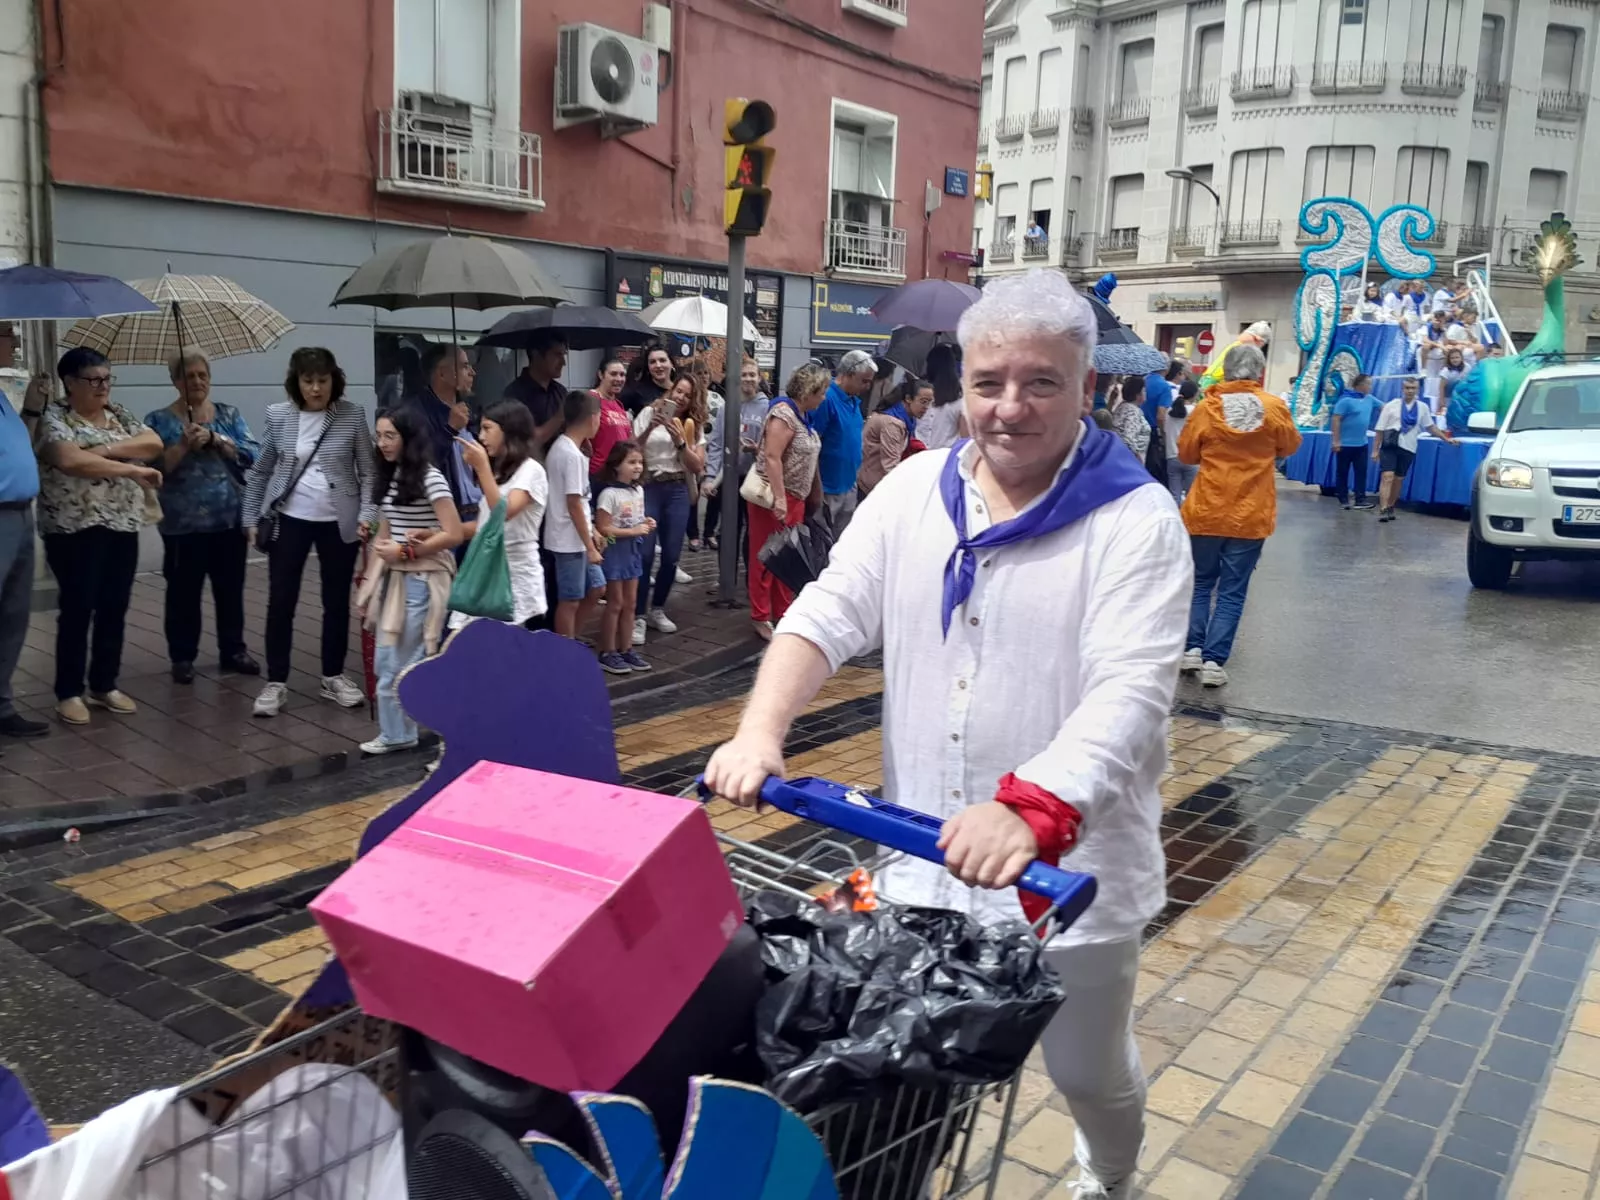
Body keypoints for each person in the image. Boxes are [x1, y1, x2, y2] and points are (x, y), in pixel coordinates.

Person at [705, 270, 1191, 1200]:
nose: (1009, 407)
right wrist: (760, 731)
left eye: (1040, 382)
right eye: (987, 382)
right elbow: (830, 610)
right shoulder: (917, 490)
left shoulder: (1133, 520)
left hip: (1064, 882)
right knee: (906, 1081)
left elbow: (1129, 693)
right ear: (958, 384)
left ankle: (1110, 1176)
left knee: (1084, 1070)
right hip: (922, 861)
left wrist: (1032, 808)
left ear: (1085, 387)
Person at [33, 349, 164, 725]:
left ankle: (104, 684)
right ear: (69, 383)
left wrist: (101, 450)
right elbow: (69, 460)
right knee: (78, 607)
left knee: (114, 605)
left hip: (121, 522)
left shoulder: (118, 413)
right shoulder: (55, 416)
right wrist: (130, 469)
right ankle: (69, 692)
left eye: (107, 378)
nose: (103, 386)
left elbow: (152, 442)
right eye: (94, 380)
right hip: (74, 527)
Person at [243, 347, 374, 719]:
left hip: (338, 520)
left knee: (335, 601)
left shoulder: (351, 415)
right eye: (307, 380)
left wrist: (368, 514)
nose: (315, 388)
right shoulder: (279, 415)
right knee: (281, 599)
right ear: (296, 382)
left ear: (335, 380)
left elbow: (369, 471)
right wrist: (250, 518)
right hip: (290, 518)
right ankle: (276, 681)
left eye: (322, 380)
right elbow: (260, 470)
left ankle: (332, 676)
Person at [1178, 341, 1302, 689]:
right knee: (1233, 590)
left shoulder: (1206, 408)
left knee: (1202, 582)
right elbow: (1291, 445)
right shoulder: (1274, 406)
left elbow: (1187, 454)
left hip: (1206, 508)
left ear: (1227, 370)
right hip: (1250, 512)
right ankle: (1214, 662)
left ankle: (1192, 648)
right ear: (1259, 372)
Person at [144, 349, 261, 684]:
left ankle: (233, 650)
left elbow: (251, 454)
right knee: (183, 593)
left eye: (201, 375)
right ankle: (182, 657)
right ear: (175, 381)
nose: (196, 381)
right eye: (188, 375)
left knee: (230, 590)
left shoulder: (227, 414)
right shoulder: (158, 421)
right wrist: (181, 446)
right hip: (183, 525)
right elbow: (152, 469)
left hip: (229, 520)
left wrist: (216, 439)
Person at [356, 406, 463, 754]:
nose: (382, 443)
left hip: (422, 580)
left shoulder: (430, 478)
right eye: (379, 435)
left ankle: (409, 731)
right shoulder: (390, 474)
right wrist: (370, 587)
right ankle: (400, 732)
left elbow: (454, 533)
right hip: (397, 580)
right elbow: (385, 532)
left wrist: (403, 552)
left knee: (402, 660)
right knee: (393, 660)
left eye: (391, 435)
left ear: (408, 438)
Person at [747, 363, 825, 640]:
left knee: (788, 557)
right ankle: (760, 615)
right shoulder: (784, 414)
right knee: (766, 556)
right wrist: (780, 499)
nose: (824, 397)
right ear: (809, 390)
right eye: (822, 391)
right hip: (774, 498)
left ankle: (783, 610)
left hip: (795, 498)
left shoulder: (803, 416)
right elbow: (771, 456)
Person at [456, 401, 548, 628]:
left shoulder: (532, 470)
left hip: (514, 580)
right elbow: (485, 524)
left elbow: (504, 512)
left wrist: (481, 468)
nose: (480, 436)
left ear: (510, 430)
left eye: (487, 428)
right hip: (486, 573)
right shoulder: (500, 473)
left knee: (506, 654)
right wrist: (437, 534)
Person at [631, 368, 707, 643]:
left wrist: (679, 442)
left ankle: (657, 609)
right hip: (650, 485)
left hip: (676, 488)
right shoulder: (650, 412)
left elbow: (697, 465)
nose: (683, 397)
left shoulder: (692, 425)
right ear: (671, 390)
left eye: (688, 395)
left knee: (672, 555)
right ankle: (638, 615)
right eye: (679, 391)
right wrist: (651, 427)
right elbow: (630, 448)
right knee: (646, 553)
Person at [0, 376, 50, 742]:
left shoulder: (1, 398)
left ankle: (1, 707)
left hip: (20, 514)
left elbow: (22, 449)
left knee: (13, 616)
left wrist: (31, 408)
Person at [544, 390, 607, 642]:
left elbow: (579, 500)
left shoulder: (571, 450)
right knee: (570, 599)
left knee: (596, 586)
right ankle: (565, 649)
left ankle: (572, 639)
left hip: (576, 537)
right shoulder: (569, 454)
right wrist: (590, 545)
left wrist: (592, 532)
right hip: (567, 540)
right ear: (593, 418)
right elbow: (573, 503)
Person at [402, 343, 481, 532]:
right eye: (464, 366)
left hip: (477, 509)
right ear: (443, 373)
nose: (472, 372)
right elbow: (421, 464)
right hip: (443, 514)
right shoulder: (415, 412)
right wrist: (449, 429)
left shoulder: (468, 409)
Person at [593, 442, 655, 674]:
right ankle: (607, 650)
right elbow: (604, 528)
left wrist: (645, 523)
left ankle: (626, 648)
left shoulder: (638, 490)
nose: (637, 467)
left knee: (631, 603)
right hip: (615, 551)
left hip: (632, 551)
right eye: (631, 462)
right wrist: (633, 531)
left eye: (640, 462)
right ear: (616, 465)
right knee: (615, 603)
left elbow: (635, 518)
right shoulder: (609, 494)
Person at [702, 355, 766, 555]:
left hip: (755, 477)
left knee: (753, 530)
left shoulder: (767, 407)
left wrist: (756, 451)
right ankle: (726, 578)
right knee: (729, 528)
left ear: (759, 378)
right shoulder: (726, 407)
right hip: (729, 477)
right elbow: (716, 443)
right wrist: (711, 476)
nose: (748, 379)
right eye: (744, 375)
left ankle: (749, 577)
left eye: (752, 375)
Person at [810, 349, 876, 533]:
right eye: (864, 381)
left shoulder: (853, 400)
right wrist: (817, 488)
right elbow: (813, 445)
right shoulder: (827, 399)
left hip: (848, 483)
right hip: (828, 487)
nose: (868, 386)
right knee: (823, 542)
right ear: (848, 375)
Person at [1372, 376, 1454, 522]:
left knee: (1398, 479)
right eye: (1407, 388)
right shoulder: (1391, 405)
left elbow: (1430, 427)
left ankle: (1391, 505)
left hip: (1408, 447)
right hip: (1390, 445)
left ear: (1418, 389)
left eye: (1413, 388)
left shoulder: (1422, 408)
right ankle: (1383, 508)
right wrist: (1375, 450)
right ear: (1402, 389)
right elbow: (1379, 429)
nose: (1410, 391)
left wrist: (1446, 439)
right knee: (1387, 477)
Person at [857, 378, 932, 496]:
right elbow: (890, 466)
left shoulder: (905, 418)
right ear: (908, 399)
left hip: (875, 481)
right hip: (873, 487)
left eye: (930, 403)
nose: (926, 407)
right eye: (923, 401)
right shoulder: (893, 423)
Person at [503, 331, 567, 454]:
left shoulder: (560, 391)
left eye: (564, 355)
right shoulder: (514, 394)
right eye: (557, 355)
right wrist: (559, 417)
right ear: (536, 354)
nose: (563, 362)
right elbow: (525, 442)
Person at [1328, 374, 1378, 510]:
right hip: (1345, 444)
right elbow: (1336, 419)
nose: (1370, 387)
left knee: (1361, 471)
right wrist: (1336, 441)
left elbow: (1384, 407)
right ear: (1360, 385)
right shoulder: (1346, 400)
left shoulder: (1369, 399)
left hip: (1362, 444)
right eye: (1368, 384)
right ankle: (1343, 498)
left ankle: (1360, 499)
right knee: (1342, 472)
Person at [586, 356, 634, 492]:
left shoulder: (618, 405)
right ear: (601, 375)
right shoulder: (592, 398)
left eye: (622, 375)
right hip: (598, 475)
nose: (619, 379)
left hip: (619, 475)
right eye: (613, 374)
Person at [917, 342, 964, 450]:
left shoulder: (919, 391)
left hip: (919, 455)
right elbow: (964, 437)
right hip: (946, 456)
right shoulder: (959, 396)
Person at [1164, 381, 1198, 503]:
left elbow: (1165, 430)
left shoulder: (1169, 411)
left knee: (1174, 496)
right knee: (1191, 496)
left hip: (1172, 455)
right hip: (1190, 457)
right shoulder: (1196, 411)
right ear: (1194, 395)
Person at [621, 340, 674, 417]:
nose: (658, 365)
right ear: (648, 367)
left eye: (662, 360)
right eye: (652, 362)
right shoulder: (636, 392)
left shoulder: (680, 391)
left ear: (671, 363)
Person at [1108, 374, 1151, 462]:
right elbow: (1128, 440)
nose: (1146, 393)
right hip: (1132, 462)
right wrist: (1137, 459)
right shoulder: (1133, 412)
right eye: (1144, 391)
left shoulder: (1122, 407)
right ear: (1138, 394)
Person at [1416, 310, 1451, 407]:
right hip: (1426, 348)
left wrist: (1444, 331)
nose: (1438, 322)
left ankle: (1444, 369)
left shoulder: (1442, 329)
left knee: (1448, 349)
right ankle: (1423, 370)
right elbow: (1425, 340)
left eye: (1441, 320)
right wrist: (1439, 346)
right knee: (1426, 346)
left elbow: (1446, 343)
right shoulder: (1426, 327)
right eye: (1437, 320)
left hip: (1437, 348)